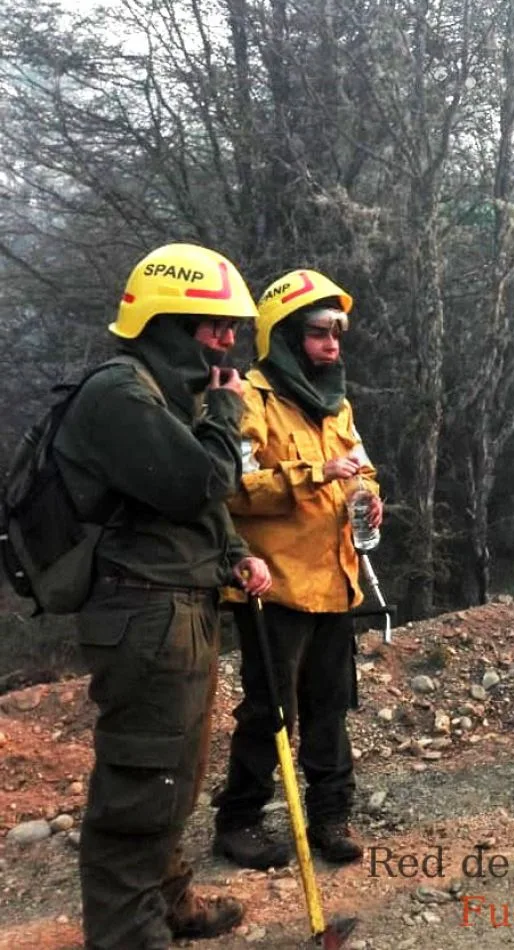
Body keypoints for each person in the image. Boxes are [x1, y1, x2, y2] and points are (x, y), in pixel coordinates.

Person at [52, 242, 272, 948]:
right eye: (217, 328)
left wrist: (235, 555)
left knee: (175, 773)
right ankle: (127, 934)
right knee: (139, 784)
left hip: (182, 607)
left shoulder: (167, 396)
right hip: (143, 614)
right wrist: (224, 414)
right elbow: (196, 483)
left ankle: (171, 900)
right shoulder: (120, 393)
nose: (230, 342)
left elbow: (198, 510)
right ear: (170, 322)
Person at [210, 269, 382, 870]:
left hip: (336, 583)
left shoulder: (336, 406)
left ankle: (331, 816)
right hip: (275, 587)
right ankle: (238, 823)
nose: (332, 345)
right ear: (283, 335)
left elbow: (361, 468)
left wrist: (370, 493)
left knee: (331, 705)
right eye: (317, 333)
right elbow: (230, 487)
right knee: (270, 710)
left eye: (337, 333)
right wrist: (313, 475)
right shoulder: (248, 400)